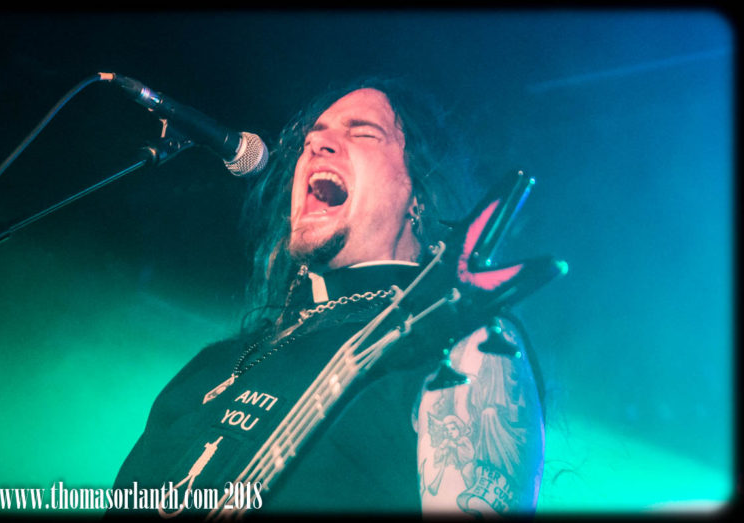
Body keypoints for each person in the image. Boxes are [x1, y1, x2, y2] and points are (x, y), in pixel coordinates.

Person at [109, 78, 545, 518]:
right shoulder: (210, 366)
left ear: (418, 194)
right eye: (309, 140)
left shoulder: (458, 337)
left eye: (363, 133)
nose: (317, 144)